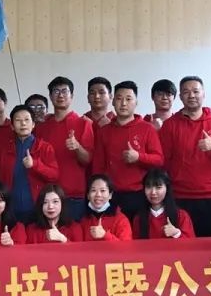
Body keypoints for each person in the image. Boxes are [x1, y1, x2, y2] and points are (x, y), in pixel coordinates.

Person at [159, 76, 211, 237]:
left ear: (204, 94)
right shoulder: (170, 125)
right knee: (181, 245)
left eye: (196, 91)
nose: (192, 95)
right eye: (186, 92)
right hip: (180, 197)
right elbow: (163, 162)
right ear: (180, 96)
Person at [92, 81, 164, 223]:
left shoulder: (147, 129)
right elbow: (98, 166)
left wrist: (139, 157)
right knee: (112, 233)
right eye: (119, 99)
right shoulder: (104, 131)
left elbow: (159, 160)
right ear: (113, 101)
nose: (123, 103)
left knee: (140, 233)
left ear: (136, 102)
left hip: (140, 194)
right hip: (111, 196)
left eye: (128, 99)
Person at [35, 77, 94, 222]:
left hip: (74, 195)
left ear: (72, 96)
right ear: (50, 96)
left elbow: (87, 160)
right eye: (56, 91)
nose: (60, 95)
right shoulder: (42, 127)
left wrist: (77, 147)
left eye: (64, 91)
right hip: (48, 196)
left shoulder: (83, 123)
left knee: (75, 234)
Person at [0, 105, 59, 224]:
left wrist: (34, 165)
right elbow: (1, 179)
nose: (23, 123)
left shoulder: (44, 147)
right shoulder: (5, 150)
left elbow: (54, 175)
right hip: (11, 209)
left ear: (33, 124)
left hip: (37, 208)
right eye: (18, 120)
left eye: (26, 119)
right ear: (12, 126)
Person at [135, 168, 196, 240]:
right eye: (148, 187)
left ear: (167, 189)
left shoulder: (181, 215)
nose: (153, 192)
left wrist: (176, 233)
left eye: (158, 187)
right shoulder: (139, 218)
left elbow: (191, 243)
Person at [78, 174, 133, 241]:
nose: (98, 194)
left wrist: (105, 235)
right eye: (93, 190)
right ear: (88, 196)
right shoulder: (83, 220)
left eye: (103, 190)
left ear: (110, 195)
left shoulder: (121, 220)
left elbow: (126, 246)